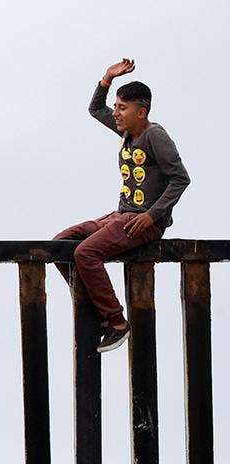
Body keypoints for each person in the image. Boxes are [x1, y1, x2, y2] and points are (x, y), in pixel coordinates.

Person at [53, 58, 190, 353]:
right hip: (120, 215)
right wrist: (107, 78)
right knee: (61, 242)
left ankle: (116, 322)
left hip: (143, 222)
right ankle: (93, 305)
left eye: (122, 108)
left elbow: (180, 179)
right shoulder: (128, 132)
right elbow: (95, 109)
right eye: (115, 106)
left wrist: (153, 216)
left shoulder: (155, 136)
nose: (115, 112)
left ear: (141, 112)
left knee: (85, 252)